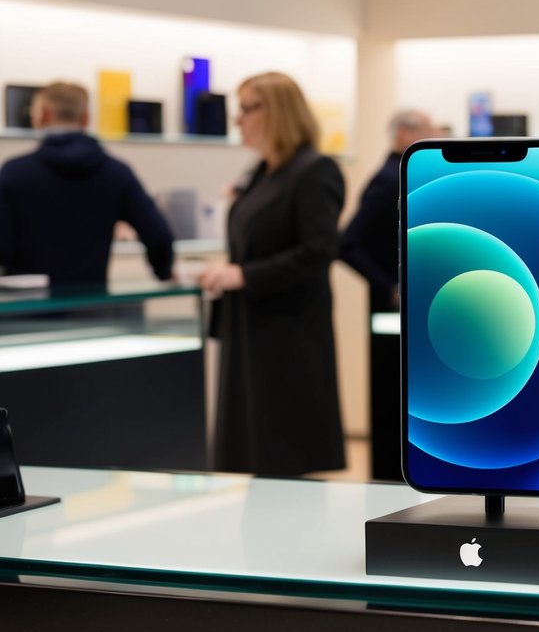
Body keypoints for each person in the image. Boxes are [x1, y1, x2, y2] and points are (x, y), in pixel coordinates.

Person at [198, 71, 346, 477]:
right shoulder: (265, 172)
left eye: (247, 108)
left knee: (284, 451)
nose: (238, 119)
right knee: (254, 451)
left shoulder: (314, 170)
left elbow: (319, 250)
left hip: (288, 333)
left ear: (277, 111)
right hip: (253, 327)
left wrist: (243, 275)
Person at [0, 81, 175, 286]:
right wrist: (164, 271)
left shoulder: (14, 173)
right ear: (86, 118)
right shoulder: (116, 173)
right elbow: (158, 235)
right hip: (92, 306)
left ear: (43, 116)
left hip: (26, 305)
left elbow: (3, 248)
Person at [339, 108, 435, 311]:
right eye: (428, 130)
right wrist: (388, 286)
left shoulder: (405, 175)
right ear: (403, 133)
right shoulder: (391, 179)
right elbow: (348, 243)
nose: (435, 137)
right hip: (393, 307)